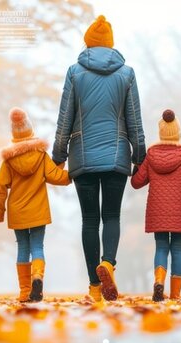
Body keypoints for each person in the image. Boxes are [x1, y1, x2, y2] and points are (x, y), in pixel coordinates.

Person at [52, 15, 146, 302]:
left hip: (83, 156)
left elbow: (65, 117)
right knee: (112, 216)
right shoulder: (127, 74)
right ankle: (108, 263)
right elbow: (134, 119)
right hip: (117, 156)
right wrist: (138, 154)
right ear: (111, 44)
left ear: (88, 44)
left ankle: (94, 286)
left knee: (90, 220)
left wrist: (58, 153)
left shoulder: (74, 72)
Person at [0, 108, 71, 302]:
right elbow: (56, 176)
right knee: (37, 246)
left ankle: (24, 291)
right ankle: (37, 277)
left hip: (17, 212)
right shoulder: (40, 155)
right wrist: (73, 174)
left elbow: (0, 187)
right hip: (38, 211)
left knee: (22, 248)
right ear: (30, 131)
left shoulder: (9, 161)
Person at [132, 109, 181, 302]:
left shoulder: (151, 156)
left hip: (158, 211)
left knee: (161, 247)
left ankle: (158, 281)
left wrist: (136, 167)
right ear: (177, 133)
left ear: (161, 133)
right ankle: (175, 294)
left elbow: (137, 182)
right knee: (178, 249)